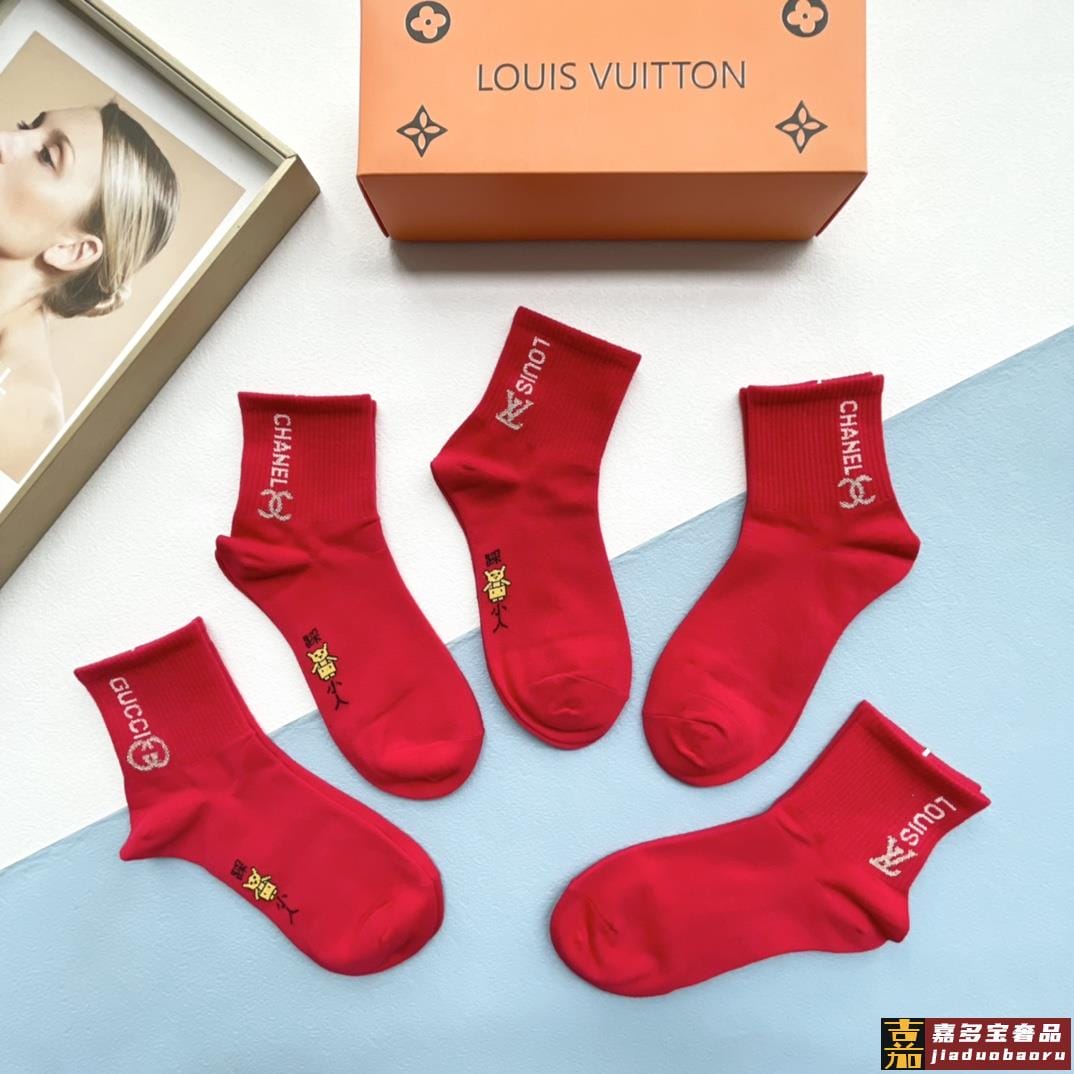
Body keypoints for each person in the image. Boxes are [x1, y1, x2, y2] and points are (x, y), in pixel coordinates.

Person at [0, 102, 179, 489]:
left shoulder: (23, 410)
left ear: (71, 250)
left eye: (47, 156)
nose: (4, 141)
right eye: (27, 127)